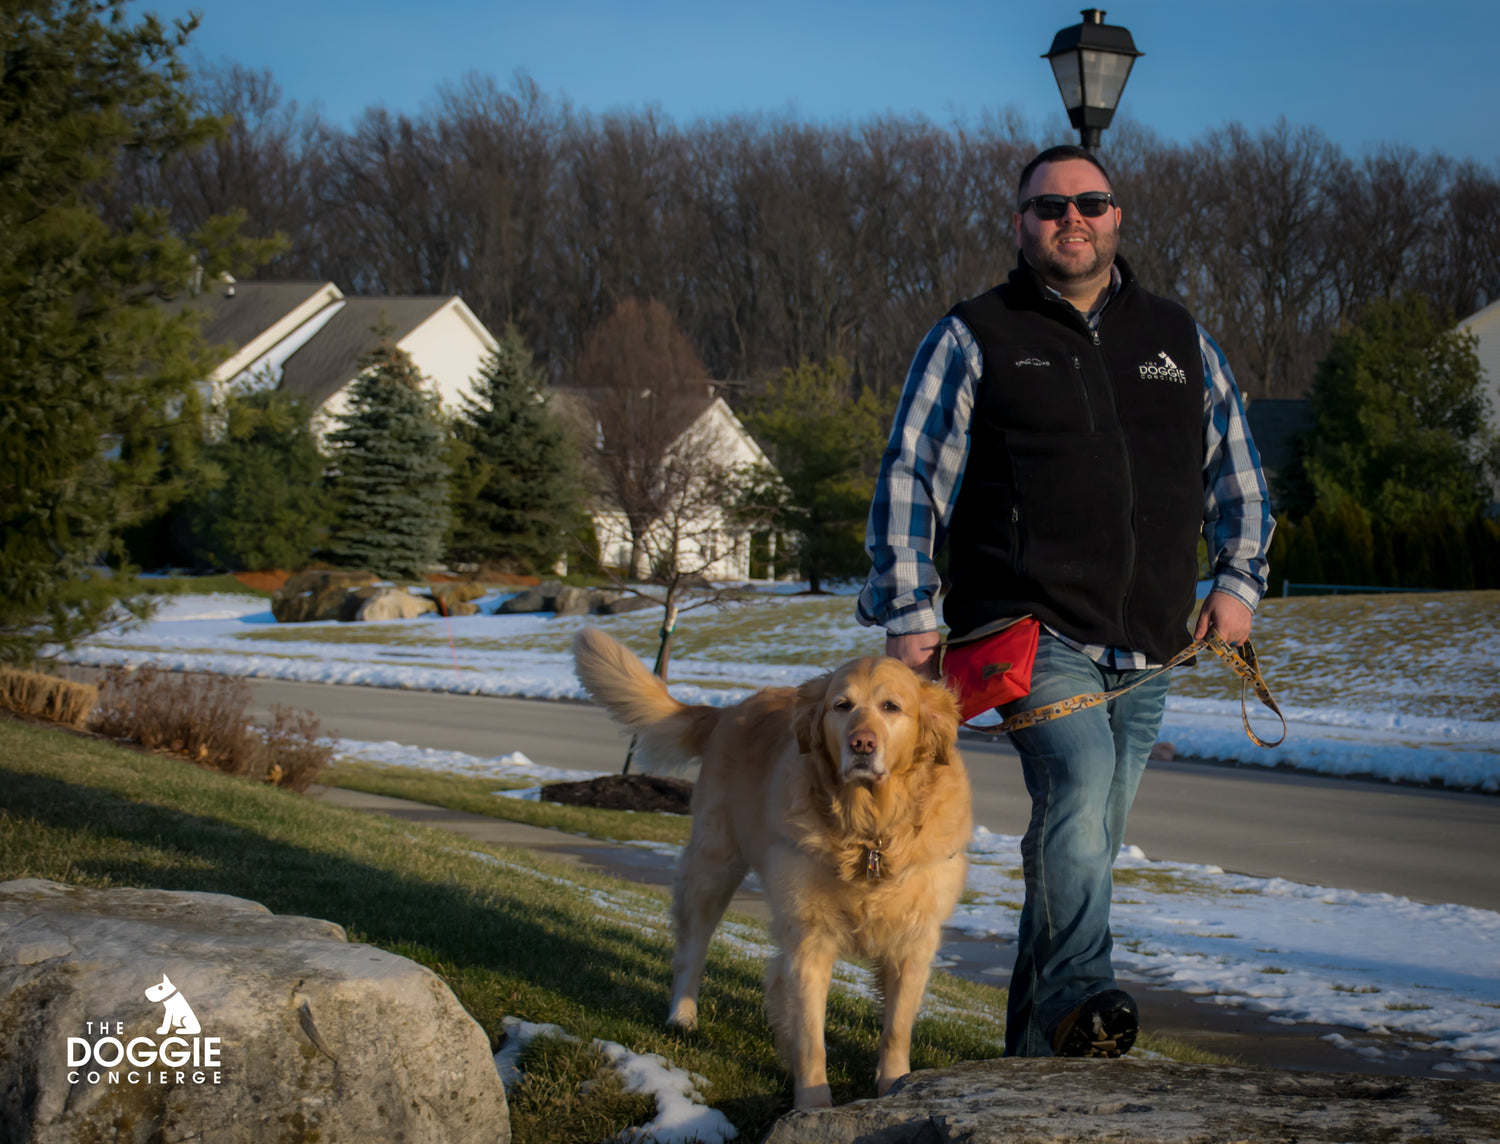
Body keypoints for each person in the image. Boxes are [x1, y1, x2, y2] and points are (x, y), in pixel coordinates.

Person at [856, 143, 1273, 1058]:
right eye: (1049, 207)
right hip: (1027, 629)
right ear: (1021, 224)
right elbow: (910, 475)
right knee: (1078, 792)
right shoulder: (975, 334)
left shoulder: (1180, 338)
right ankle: (1083, 993)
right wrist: (910, 614)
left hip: (1152, 641)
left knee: (1084, 843)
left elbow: (1239, 478)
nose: (1071, 219)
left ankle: (1036, 1059)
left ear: (1117, 216)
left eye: (1090, 202)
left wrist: (1237, 583)